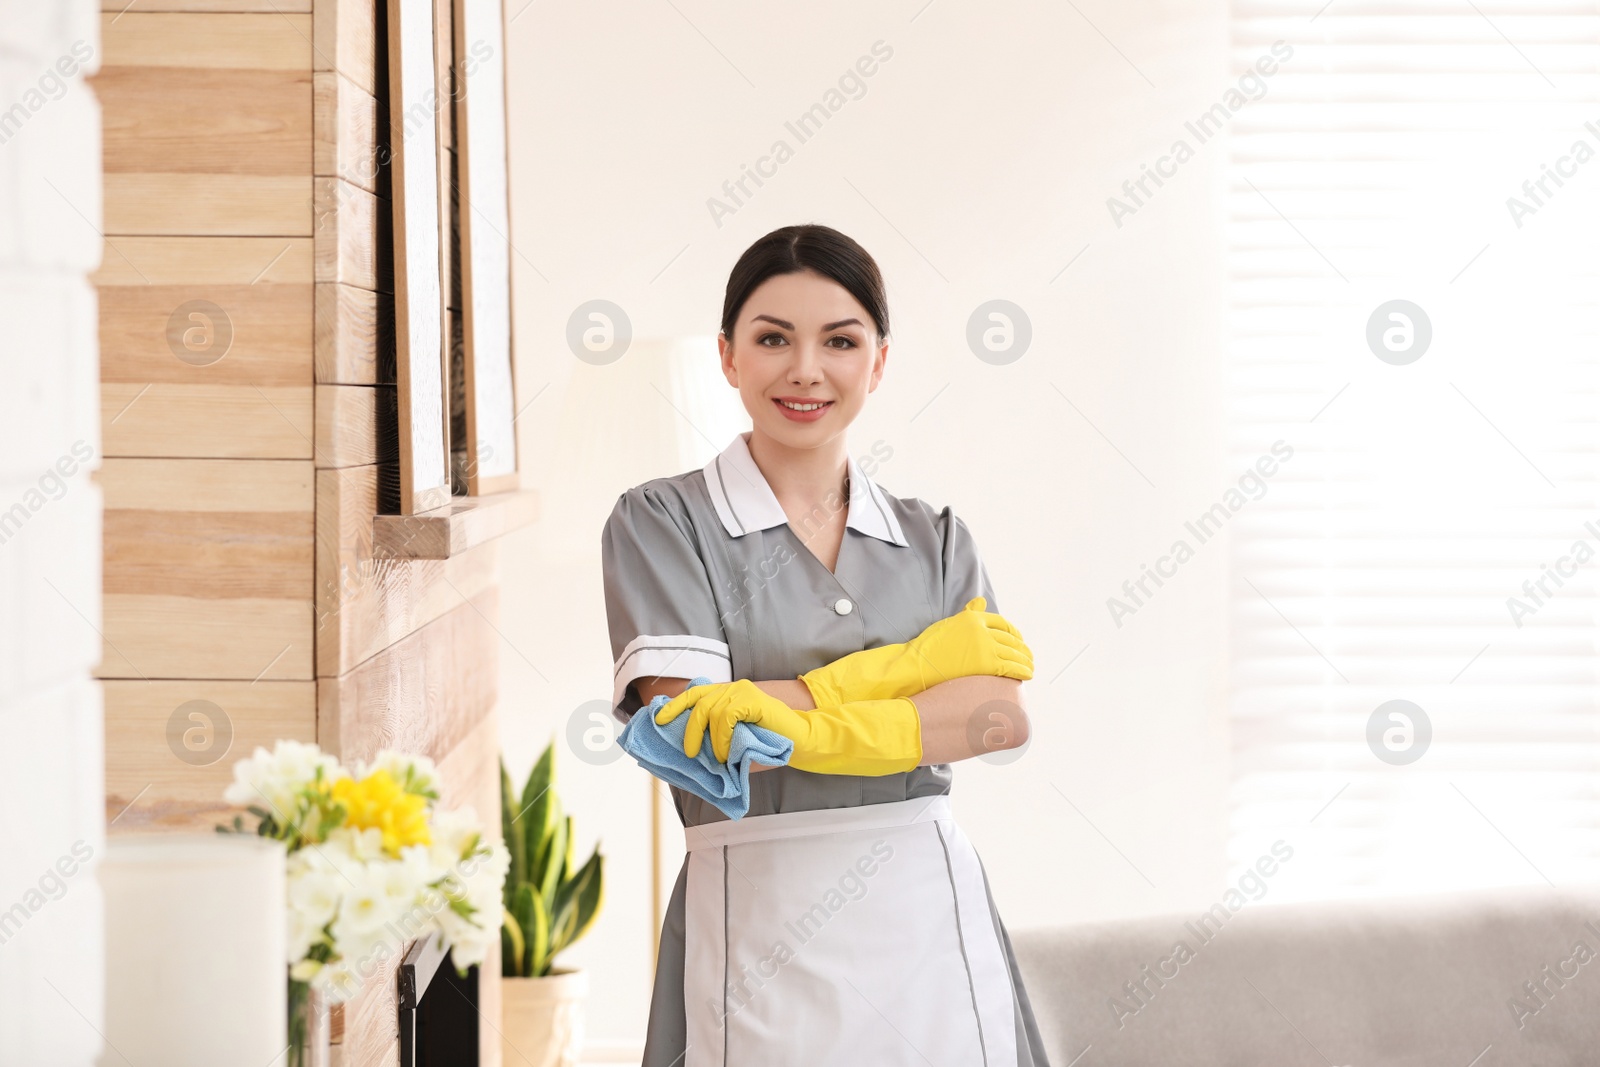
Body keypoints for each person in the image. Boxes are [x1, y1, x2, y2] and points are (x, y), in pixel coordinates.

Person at [601, 223, 1051, 1066]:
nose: (806, 369)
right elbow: (700, 734)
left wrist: (793, 705)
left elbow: (997, 720)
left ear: (878, 362)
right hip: (757, 919)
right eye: (774, 338)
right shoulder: (663, 523)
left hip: (929, 918)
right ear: (729, 355)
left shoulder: (935, 537)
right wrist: (919, 679)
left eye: (839, 341)